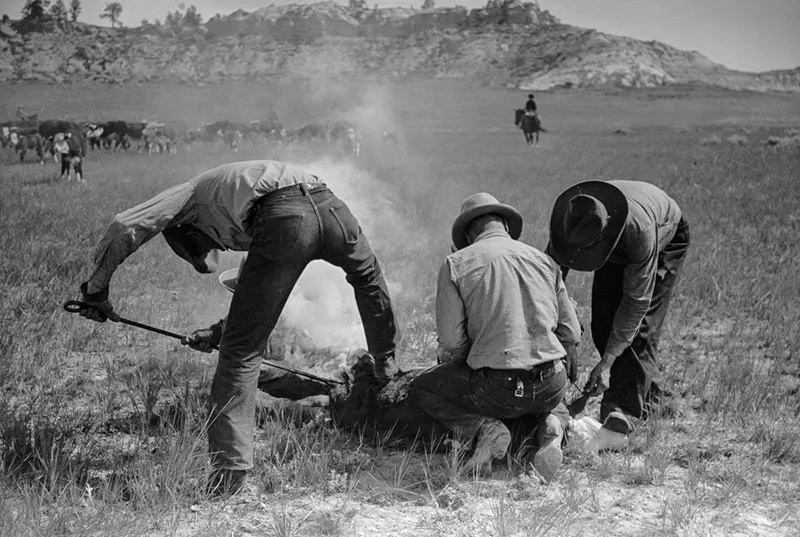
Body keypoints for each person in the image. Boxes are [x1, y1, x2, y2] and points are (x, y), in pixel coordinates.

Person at [75, 160, 399, 495]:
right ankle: (386, 368)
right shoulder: (238, 195)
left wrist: (95, 290)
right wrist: (217, 334)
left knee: (240, 355)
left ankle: (230, 475)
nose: (226, 247)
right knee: (368, 278)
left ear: (193, 229)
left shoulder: (190, 195)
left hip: (286, 217)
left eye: (214, 244)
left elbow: (124, 224)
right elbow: (255, 301)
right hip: (331, 206)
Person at [409, 193, 582, 479]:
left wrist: (465, 363)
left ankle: (485, 429)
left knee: (423, 387)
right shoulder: (545, 261)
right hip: (552, 382)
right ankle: (553, 423)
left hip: (499, 389)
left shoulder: (456, 263)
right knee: (550, 398)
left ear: (468, 232)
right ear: (503, 223)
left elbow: (452, 343)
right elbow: (571, 331)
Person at [547, 180, 690, 436]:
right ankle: (656, 400)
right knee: (602, 320)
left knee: (640, 328)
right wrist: (566, 338)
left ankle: (623, 410)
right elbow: (548, 281)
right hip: (614, 238)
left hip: (665, 235)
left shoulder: (639, 233)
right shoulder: (570, 221)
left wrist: (607, 362)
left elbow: (636, 303)